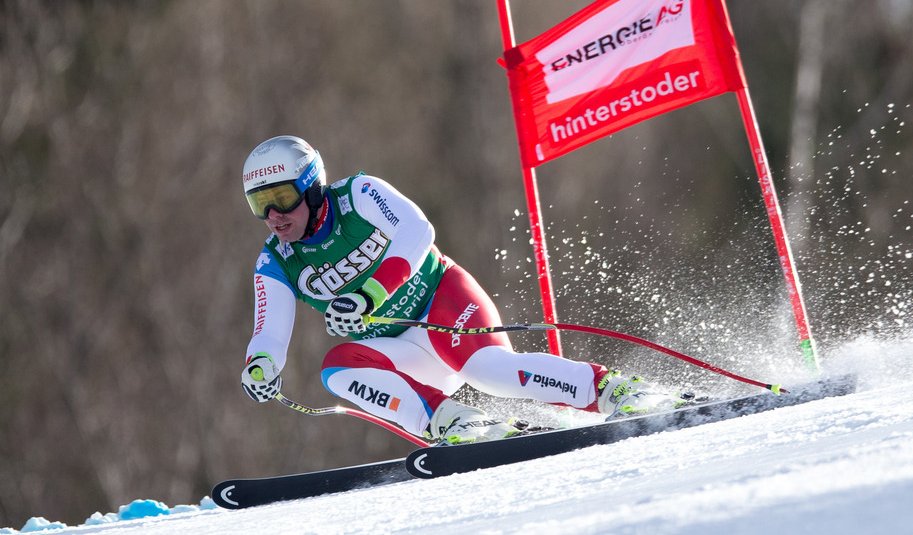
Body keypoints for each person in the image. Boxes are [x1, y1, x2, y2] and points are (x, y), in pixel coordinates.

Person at [240, 135, 686, 444]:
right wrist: (259, 367)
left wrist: (370, 295)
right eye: (260, 204)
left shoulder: (359, 194)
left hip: (444, 305)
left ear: (312, 186)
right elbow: (270, 332)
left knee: (492, 373)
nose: (274, 214)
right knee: (338, 369)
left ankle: (616, 391)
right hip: (405, 351)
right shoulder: (276, 260)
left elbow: (418, 231)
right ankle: (453, 423)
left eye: (282, 196)